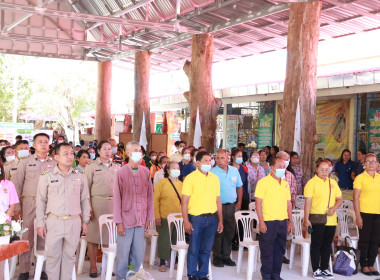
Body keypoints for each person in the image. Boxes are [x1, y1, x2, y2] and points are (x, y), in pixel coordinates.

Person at [35, 143, 90, 280]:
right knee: (52, 258)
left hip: (74, 222)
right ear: (57, 157)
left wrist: (85, 221)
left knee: (70, 257)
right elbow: (40, 201)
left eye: (72, 153)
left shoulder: (80, 176)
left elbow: (85, 199)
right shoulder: (46, 176)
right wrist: (41, 223)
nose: (70, 156)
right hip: (54, 222)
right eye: (66, 154)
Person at [14, 133, 57, 280]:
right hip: (29, 203)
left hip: (48, 204)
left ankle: (42, 268)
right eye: (40, 142)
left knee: (44, 236)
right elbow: (17, 185)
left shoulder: (54, 163)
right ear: (33, 145)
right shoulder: (25, 162)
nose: (43, 145)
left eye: (46, 142)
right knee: (27, 236)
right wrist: (17, 207)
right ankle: (24, 270)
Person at [113, 141, 154, 279]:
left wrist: (149, 219)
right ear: (128, 153)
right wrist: (119, 222)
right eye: (135, 150)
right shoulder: (121, 172)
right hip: (126, 220)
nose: (139, 153)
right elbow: (117, 199)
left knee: (138, 253)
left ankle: (133, 275)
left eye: (140, 150)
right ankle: (121, 277)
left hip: (141, 219)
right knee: (123, 253)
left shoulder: (145, 172)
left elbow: (150, 197)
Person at [182, 151, 223, 280]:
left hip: (212, 218)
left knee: (206, 249)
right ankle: (192, 274)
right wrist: (186, 221)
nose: (208, 163)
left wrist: (220, 220)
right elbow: (184, 201)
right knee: (194, 248)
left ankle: (203, 274)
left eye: (210, 160)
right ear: (198, 163)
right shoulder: (190, 178)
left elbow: (218, 200)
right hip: (196, 219)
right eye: (205, 161)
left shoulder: (214, 178)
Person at [85, 140, 121, 278]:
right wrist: (88, 208)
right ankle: (93, 267)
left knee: (109, 237)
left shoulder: (117, 167)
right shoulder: (91, 167)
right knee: (93, 238)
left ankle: (108, 265)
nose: (107, 151)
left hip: (113, 205)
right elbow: (85, 189)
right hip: (96, 204)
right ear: (98, 151)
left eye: (109, 149)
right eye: (104, 149)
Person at [303, 159, 342, 280]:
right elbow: (307, 203)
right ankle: (316, 269)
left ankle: (325, 268)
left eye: (327, 169)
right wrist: (306, 219)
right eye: (322, 169)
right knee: (316, 244)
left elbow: (339, 199)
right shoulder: (311, 183)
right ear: (317, 170)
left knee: (327, 245)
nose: (325, 172)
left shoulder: (333, 182)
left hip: (331, 219)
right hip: (316, 219)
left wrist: (333, 208)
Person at [255, 157, 293, 280]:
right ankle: (266, 276)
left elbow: (289, 203)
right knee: (267, 251)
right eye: (280, 166)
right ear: (271, 168)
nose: (283, 169)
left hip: (282, 221)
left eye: (284, 166)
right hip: (268, 222)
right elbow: (258, 204)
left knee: (280, 251)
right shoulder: (263, 182)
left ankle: (276, 275)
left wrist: (290, 221)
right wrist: (261, 222)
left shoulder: (285, 183)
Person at [211, 149, 242, 267]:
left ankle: (226, 256)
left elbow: (239, 186)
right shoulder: (212, 172)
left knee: (230, 231)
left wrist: (239, 202)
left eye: (222, 158)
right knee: (218, 231)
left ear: (228, 158)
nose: (219, 160)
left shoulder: (234, 171)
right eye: (217, 158)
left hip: (231, 205)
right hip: (217, 206)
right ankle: (217, 257)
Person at [353, 153, 380, 276]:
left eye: (373, 161)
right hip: (365, 213)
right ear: (364, 164)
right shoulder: (360, 178)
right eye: (368, 161)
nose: (371, 164)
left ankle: (371, 264)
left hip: (378, 214)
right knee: (365, 240)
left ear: (377, 164)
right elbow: (356, 198)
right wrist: (358, 216)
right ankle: (364, 265)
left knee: (375, 241)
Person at [154, 161, 182, 272]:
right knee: (164, 240)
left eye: (178, 168)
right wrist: (157, 216)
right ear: (168, 170)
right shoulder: (162, 183)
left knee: (176, 239)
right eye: (174, 168)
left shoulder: (181, 184)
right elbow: (155, 201)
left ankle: (175, 260)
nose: (176, 170)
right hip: (164, 216)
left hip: (179, 217)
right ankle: (162, 262)